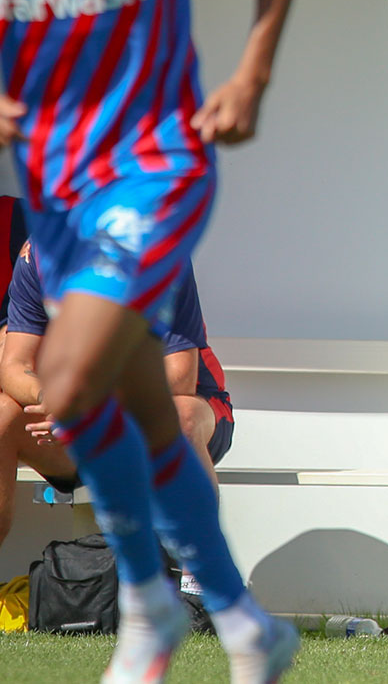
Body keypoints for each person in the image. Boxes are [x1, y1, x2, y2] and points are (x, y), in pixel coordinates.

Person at [0, 0, 301, 681]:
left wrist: (250, 73)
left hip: (153, 171)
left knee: (98, 371)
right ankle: (234, 616)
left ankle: (153, 607)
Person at [0, 245, 234, 581]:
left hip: (178, 411)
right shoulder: (38, 254)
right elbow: (12, 366)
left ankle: (200, 586)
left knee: (178, 416)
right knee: (3, 414)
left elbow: (180, 377)